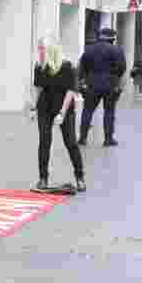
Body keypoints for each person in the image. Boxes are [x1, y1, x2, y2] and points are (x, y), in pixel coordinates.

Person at [33, 39, 85, 192]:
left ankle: (80, 177)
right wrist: (34, 108)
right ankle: (43, 178)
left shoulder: (67, 67)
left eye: (42, 48)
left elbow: (71, 91)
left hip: (64, 107)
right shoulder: (39, 67)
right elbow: (39, 89)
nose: (40, 51)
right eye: (39, 48)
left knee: (70, 142)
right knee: (44, 141)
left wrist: (62, 113)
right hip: (45, 108)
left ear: (51, 50)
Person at [78, 26, 126, 147]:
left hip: (91, 84)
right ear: (112, 38)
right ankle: (108, 139)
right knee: (109, 111)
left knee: (87, 110)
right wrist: (114, 77)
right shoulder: (117, 50)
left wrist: (83, 81)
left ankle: (83, 138)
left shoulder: (89, 49)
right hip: (110, 85)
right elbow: (122, 68)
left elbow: (82, 67)